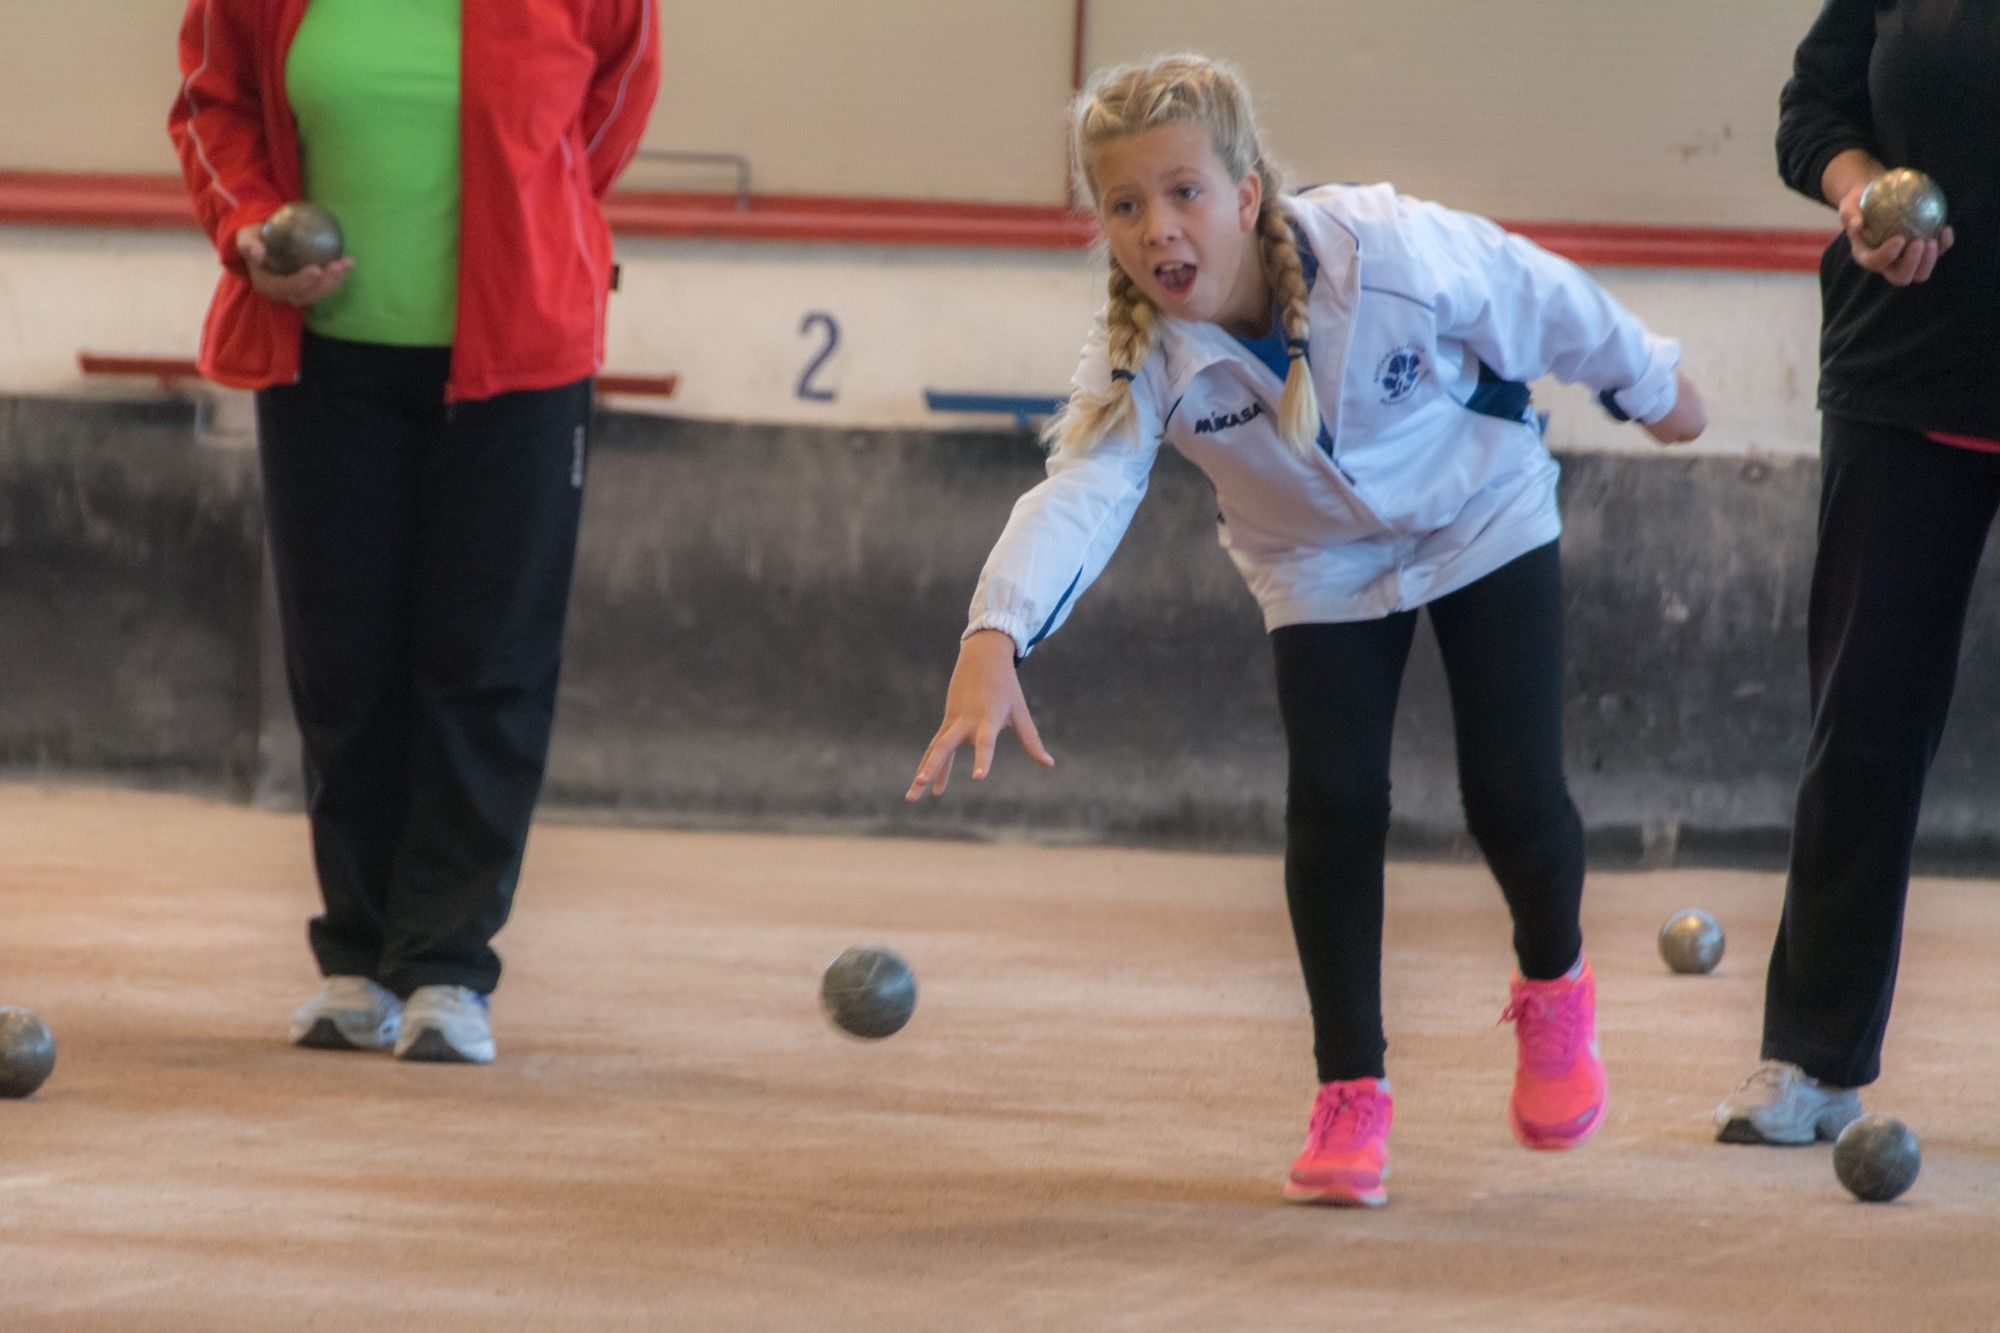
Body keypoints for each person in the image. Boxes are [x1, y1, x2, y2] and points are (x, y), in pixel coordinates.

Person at [906, 54, 1706, 1207]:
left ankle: (1553, 984)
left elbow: (1534, 293)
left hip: (1478, 510)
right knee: (1333, 802)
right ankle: (1350, 1094)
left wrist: (1647, 381)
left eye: (1182, 192)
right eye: (1124, 205)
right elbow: (1079, 490)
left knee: (1511, 799)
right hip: (1313, 561)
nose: (1155, 228)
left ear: (1244, 193)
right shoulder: (1141, 354)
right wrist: (996, 636)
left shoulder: (1385, 252)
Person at [167, 0, 660, 1063]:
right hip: (327, 363)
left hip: (518, 360)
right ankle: (355, 958)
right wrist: (250, 230)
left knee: (489, 658)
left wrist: (537, 224)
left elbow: (610, 107)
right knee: (342, 655)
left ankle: (445, 965)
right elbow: (214, 103)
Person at [1714, 0, 1993, 1144]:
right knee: (1863, 721)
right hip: (1902, 380)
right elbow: (1810, 114)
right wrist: (1857, 191)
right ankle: (1811, 1057)